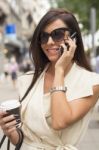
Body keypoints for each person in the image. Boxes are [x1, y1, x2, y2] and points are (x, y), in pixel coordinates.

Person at [0, 8, 99, 150]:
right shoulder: (28, 80)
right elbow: (26, 140)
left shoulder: (91, 83)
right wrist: (10, 131)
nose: (49, 42)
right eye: (44, 36)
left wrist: (59, 70)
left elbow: (60, 121)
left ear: (73, 38)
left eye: (57, 34)